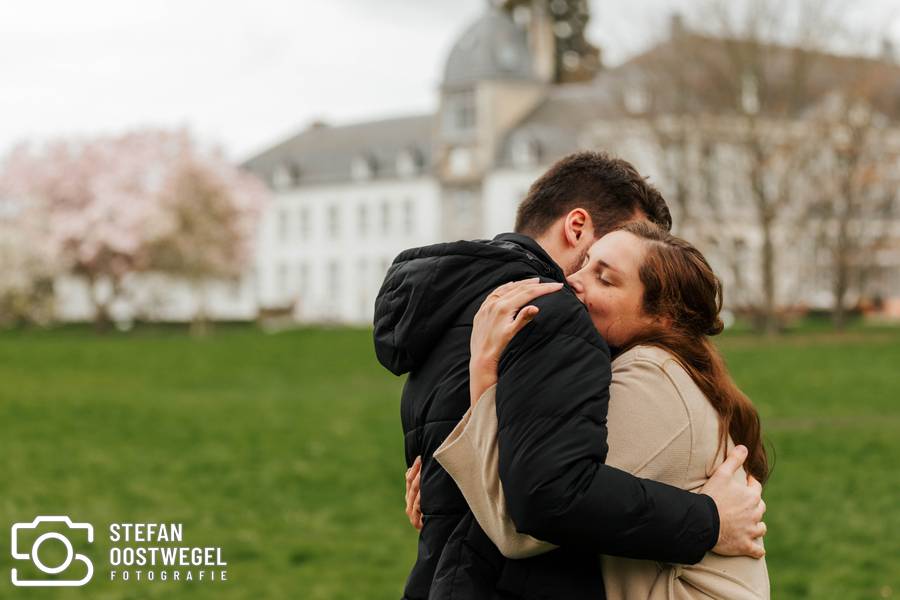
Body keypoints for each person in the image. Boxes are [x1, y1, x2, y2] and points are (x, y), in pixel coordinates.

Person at [374, 152, 765, 600]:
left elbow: (535, 508)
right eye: (590, 263)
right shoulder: (545, 313)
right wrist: (710, 520)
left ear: (662, 315)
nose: (577, 281)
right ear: (576, 227)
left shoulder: (451, 313)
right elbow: (545, 497)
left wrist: (712, 521)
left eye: (606, 277)